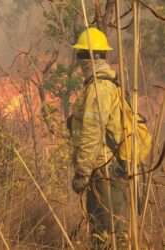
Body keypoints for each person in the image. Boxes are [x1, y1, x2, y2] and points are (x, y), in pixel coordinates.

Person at [69, 27, 129, 249]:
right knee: (104, 231)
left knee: (108, 233)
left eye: (81, 55)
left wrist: (82, 172)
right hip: (104, 168)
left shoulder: (99, 88)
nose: (79, 61)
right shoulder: (102, 85)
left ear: (89, 57)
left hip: (104, 170)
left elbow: (92, 132)